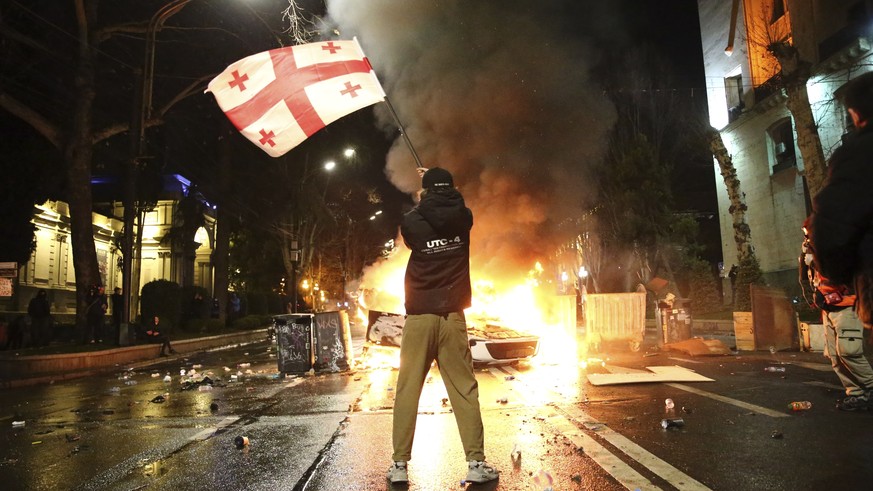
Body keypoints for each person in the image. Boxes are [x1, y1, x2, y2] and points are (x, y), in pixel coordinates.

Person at [387, 167, 498, 485]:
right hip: (452, 318)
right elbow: (453, 205)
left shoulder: (412, 221)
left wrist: (427, 193)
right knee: (464, 391)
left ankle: (399, 466)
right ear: (452, 189)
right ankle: (476, 465)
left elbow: (421, 216)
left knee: (408, 390)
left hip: (420, 317)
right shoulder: (464, 218)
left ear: (425, 193)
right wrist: (442, 188)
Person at [807, 72, 873, 410]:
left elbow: (833, 223)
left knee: (849, 350)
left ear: (856, 114)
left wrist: (835, 279)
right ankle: (858, 394)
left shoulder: (859, 155)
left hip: (849, 292)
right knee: (837, 352)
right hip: (835, 300)